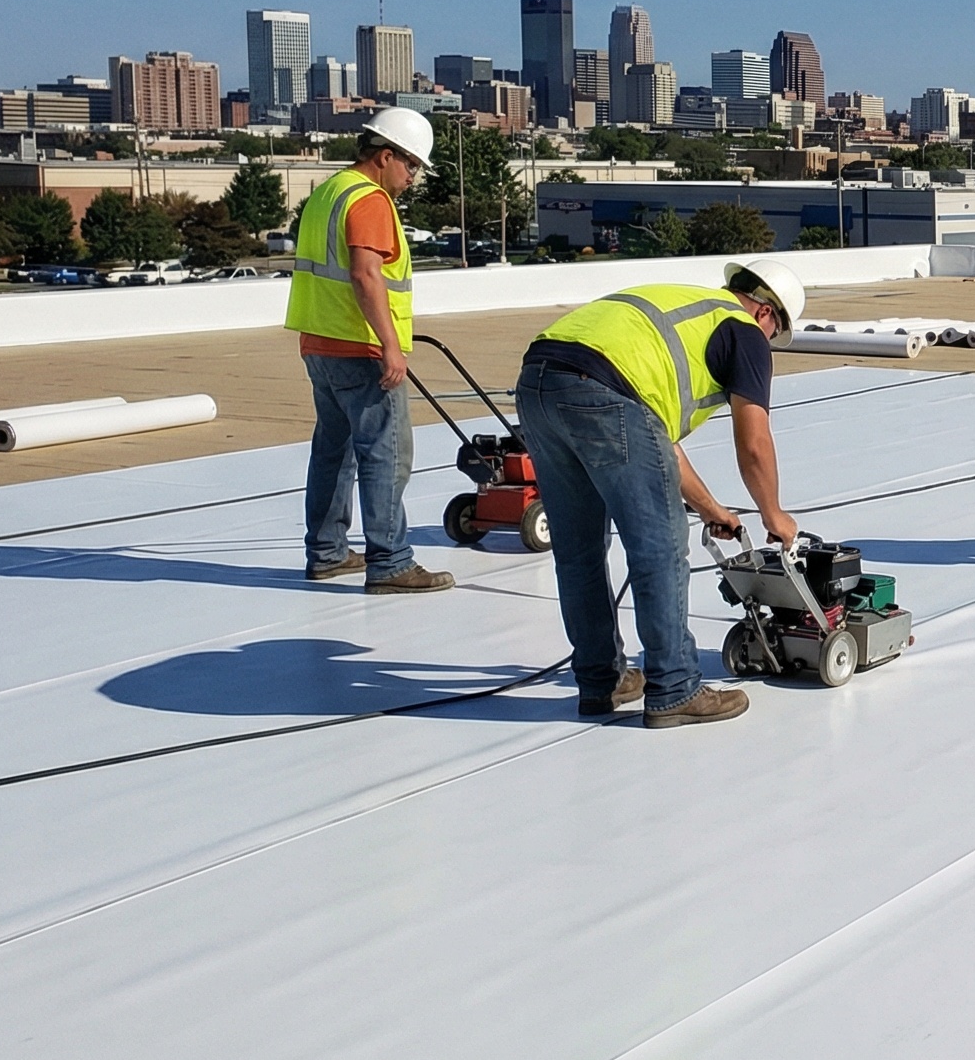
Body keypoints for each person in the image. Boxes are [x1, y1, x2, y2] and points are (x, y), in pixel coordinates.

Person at [515, 259, 808, 727]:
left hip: (538, 383)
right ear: (767, 315)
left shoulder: (682, 307)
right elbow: (754, 440)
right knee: (661, 547)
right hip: (604, 392)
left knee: (578, 551)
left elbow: (655, 441)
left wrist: (711, 507)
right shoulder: (744, 331)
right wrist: (774, 513)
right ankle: (674, 687)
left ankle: (601, 681)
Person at [286, 106, 451, 594]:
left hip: (320, 343)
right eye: (411, 166)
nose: (413, 178)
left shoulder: (328, 192)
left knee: (332, 452)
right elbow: (365, 273)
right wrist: (390, 345)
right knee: (386, 454)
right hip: (362, 349)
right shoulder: (371, 200)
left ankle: (327, 552)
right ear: (385, 156)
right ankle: (391, 562)